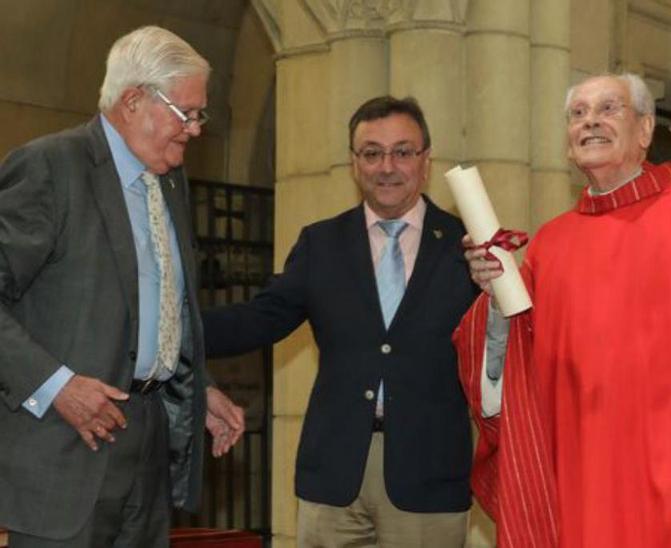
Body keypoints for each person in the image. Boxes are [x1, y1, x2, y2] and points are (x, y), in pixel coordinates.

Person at [455, 62, 671, 546]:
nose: (590, 122)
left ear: (645, 130)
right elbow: (513, 368)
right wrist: (497, 296)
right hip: (580, 470)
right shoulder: (549, 245)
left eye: (607, 109)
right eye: (578, 113)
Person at [0, 26, 244, 547]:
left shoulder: (170, 181)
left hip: (148, 444)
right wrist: (56, 385)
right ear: (134, 100)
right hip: (63, 450)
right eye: (188, 113)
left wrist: (199, 387)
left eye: (200, 115)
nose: (196, 129)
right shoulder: (50, 167)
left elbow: (156, 308)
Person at [201, 96, 477, 547]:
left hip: (429, 475)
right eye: (372, 153)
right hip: (333, 474)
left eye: (403, 151)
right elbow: (259, 319)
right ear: (355, 163)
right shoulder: (322, 244)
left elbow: (507, 346)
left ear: (426, 161)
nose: (387, 166)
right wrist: (173, 328)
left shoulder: (466, 247)